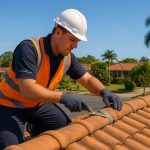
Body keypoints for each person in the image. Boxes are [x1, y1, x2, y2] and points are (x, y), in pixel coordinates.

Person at [0, 8, 122, 149]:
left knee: (66, 132)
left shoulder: (67, 58)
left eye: (77, 42)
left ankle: (35, 127)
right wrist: (62, 97)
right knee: (12, 147)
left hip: (38, 105)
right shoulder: (29, 49)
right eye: (72, 40)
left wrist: (104, 91)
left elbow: (87, 79)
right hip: (9, 107)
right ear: (58, 32)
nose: (75, 46)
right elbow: (27, 90)